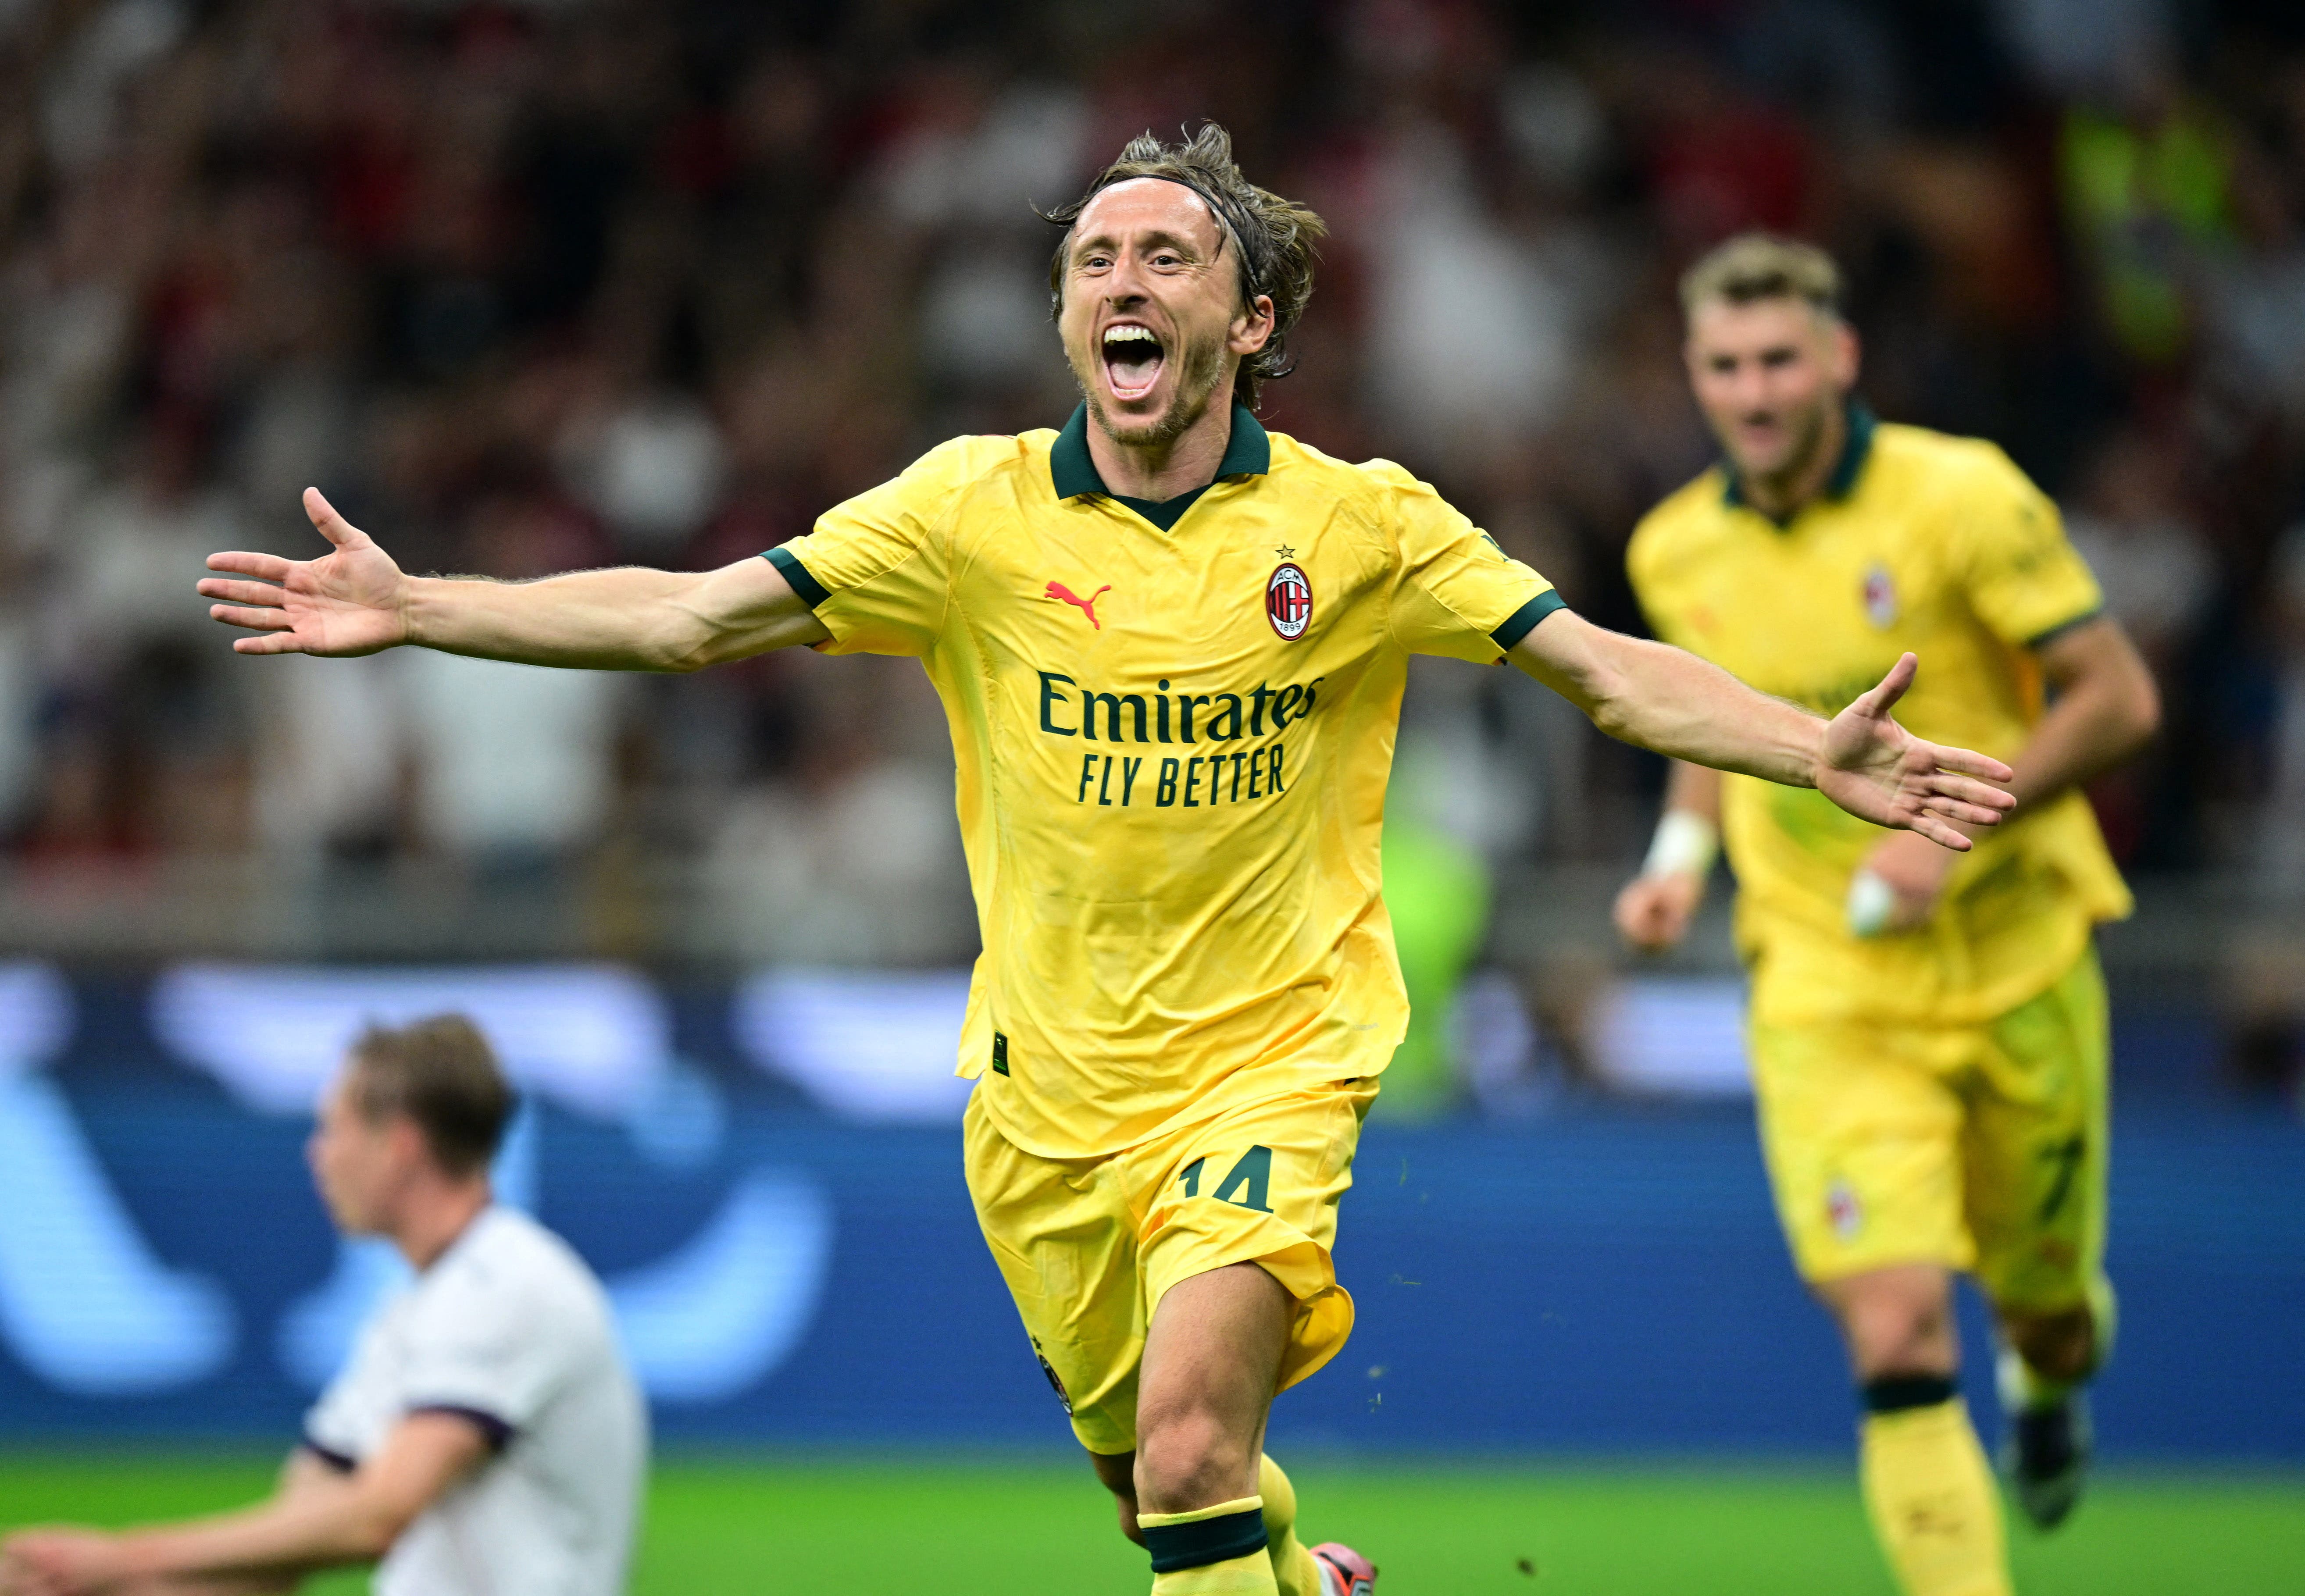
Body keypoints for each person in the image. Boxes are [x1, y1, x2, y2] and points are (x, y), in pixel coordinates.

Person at [189, 128, 2013, 1596]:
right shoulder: (966, 515)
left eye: (1168, 258)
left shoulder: (1359, 525)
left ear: (1255, 320)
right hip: (1044, 1099)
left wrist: (1809, 745)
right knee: (1170, 1507)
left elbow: (1606, 670)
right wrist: (423, 603)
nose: (1123, 283)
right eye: (1094, 262)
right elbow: (683, 618)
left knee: (1197, 1448)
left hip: (1272, 1059)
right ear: (1068, 324)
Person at [1613, 235, 2159, 1596]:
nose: (1754, 393)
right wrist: (1681, 850)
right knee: (1899, 1328)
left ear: (1841, 359)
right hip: (1824, 979)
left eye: (1780, 360)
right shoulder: (1675, 548)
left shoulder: (1960, 497)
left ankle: (2050, 1365)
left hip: (2015, 954)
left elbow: (2119, 699)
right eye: (1726, 366)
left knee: (2043, 1308)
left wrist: (1954, 837)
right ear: (1693, 374)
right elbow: (1708, 723)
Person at [0, 1016, 646, 1596]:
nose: (318, 1153)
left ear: (400, 1143)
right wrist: (72, 1582)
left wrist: (121, 1561)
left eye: (333, 1127)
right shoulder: (417, 1312)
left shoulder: (506, 1283)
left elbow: (376, 1518)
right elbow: (281, 1554)